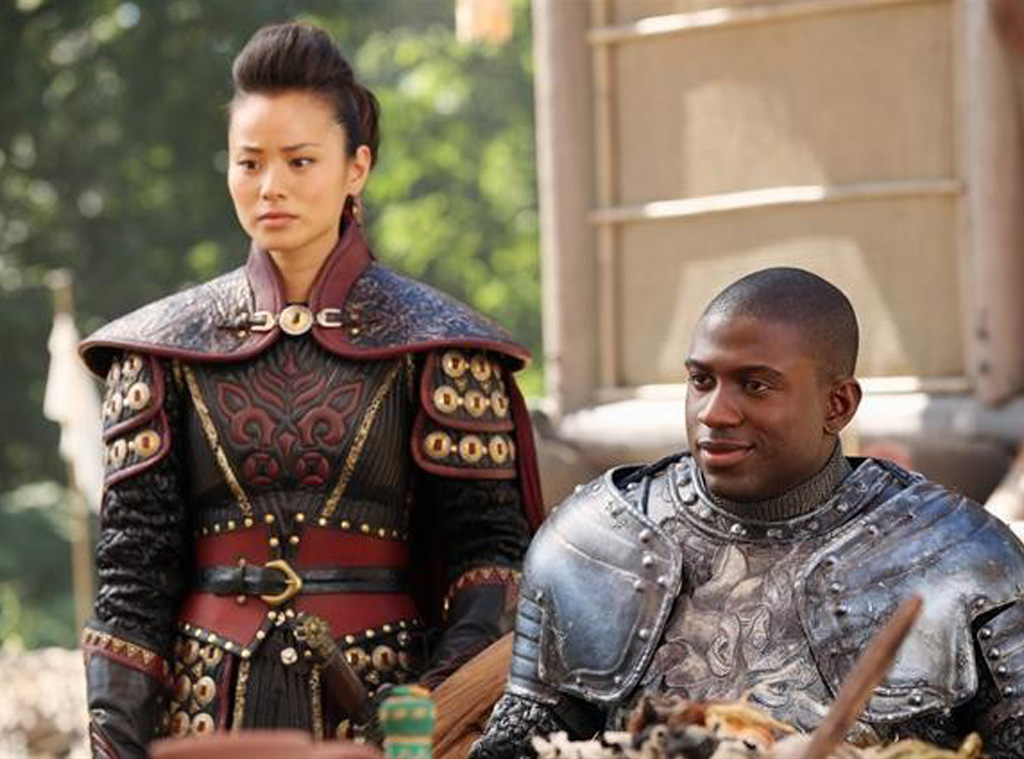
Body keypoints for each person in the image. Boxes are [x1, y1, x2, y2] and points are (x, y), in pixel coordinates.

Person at [79, 22, 544, 758]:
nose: (271, 186)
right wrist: (115, 747)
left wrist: (432, 708)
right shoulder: (160, 353)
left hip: (389, 705)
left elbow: (489, 563)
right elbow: (132, 583)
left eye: (300, 161)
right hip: (201, 717)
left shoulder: (443, 348)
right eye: (249, 162)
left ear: (357, 167)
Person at [472, 268, 1024, 758]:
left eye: (754, 386)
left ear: (838, 405)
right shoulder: (594, 541)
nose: (714, 413)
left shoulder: (962, 557)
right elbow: (516, 746)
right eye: (701, 381)